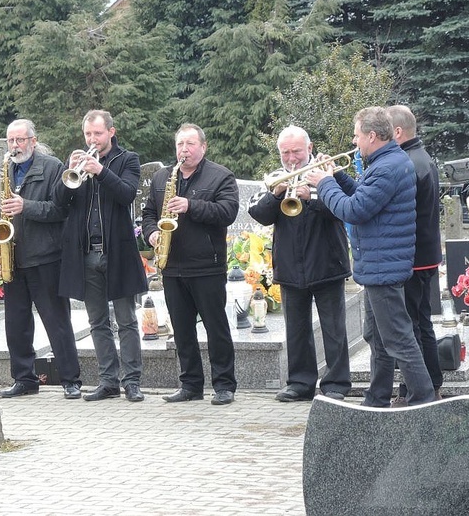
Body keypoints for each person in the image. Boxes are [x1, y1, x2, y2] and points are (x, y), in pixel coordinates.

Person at [305, 106, 436, 407]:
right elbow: (362, 195)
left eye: (357, 136)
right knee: (376, 338)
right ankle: (377, 397)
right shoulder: (386, 161)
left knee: (399, 339)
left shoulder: (387, 166)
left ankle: (423, 399)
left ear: (373, 136)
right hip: (378, 265)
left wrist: (323, 183)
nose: (354, 142)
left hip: (383, 267)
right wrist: (337, 175)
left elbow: (353, 210)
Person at [248, 125, 351, 402]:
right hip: (291, 266)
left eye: (296, 151)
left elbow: (346, 207)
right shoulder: (274, 178)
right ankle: (300, 383)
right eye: (285, 152)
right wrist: (277, 193)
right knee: (296, 329)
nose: (291, 158)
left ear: (309, 148)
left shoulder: (328, 172)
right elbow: (258, 213)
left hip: (328, 262)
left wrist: (312, 196)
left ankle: (336, 385)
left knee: (334, 328)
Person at [142, 123, 240, 405]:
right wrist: (151, 233)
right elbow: (149, 213)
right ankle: (190, 385)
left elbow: (227, 212)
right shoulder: (163, 177)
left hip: (206, 265)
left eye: (190, 144)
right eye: (180, 145)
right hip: (172, 265)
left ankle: (224, 385)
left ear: (203, 147)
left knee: (215, 326)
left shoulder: (221, 176)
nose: (184, 150)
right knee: (181, 329)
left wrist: (190, 206)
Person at [55, 110, 147, 402]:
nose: (91, 139)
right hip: (86, 253)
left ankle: (131, 381)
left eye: (97, 134)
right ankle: (108, 381)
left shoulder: (127, 160)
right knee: (97, 322)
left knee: (126, 320)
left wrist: (100, 171)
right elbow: (60, 203)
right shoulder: (79, 165)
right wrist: (69, 174)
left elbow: (127, 194)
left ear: (111, 132)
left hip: (117, 251)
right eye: (87, 135)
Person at [0, 119, 82, 399]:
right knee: (16, 324)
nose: (15, 146)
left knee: (57, 321)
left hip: (45, 257)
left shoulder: (52, 166)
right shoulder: (5, 169)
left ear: (33, 140)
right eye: (11, 141)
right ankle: (24, 378)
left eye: (20, 140)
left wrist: (25, 206)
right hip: (14, 258)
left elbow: (60, 210)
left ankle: (70, 379)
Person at [387, 105, 443, 406]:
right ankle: (432, 384)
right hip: (426, 255)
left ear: (397, 132)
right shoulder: (421, 157)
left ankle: (415, 390)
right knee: (422, 323)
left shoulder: (408, 163)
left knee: (411, 328)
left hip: (412, 257)